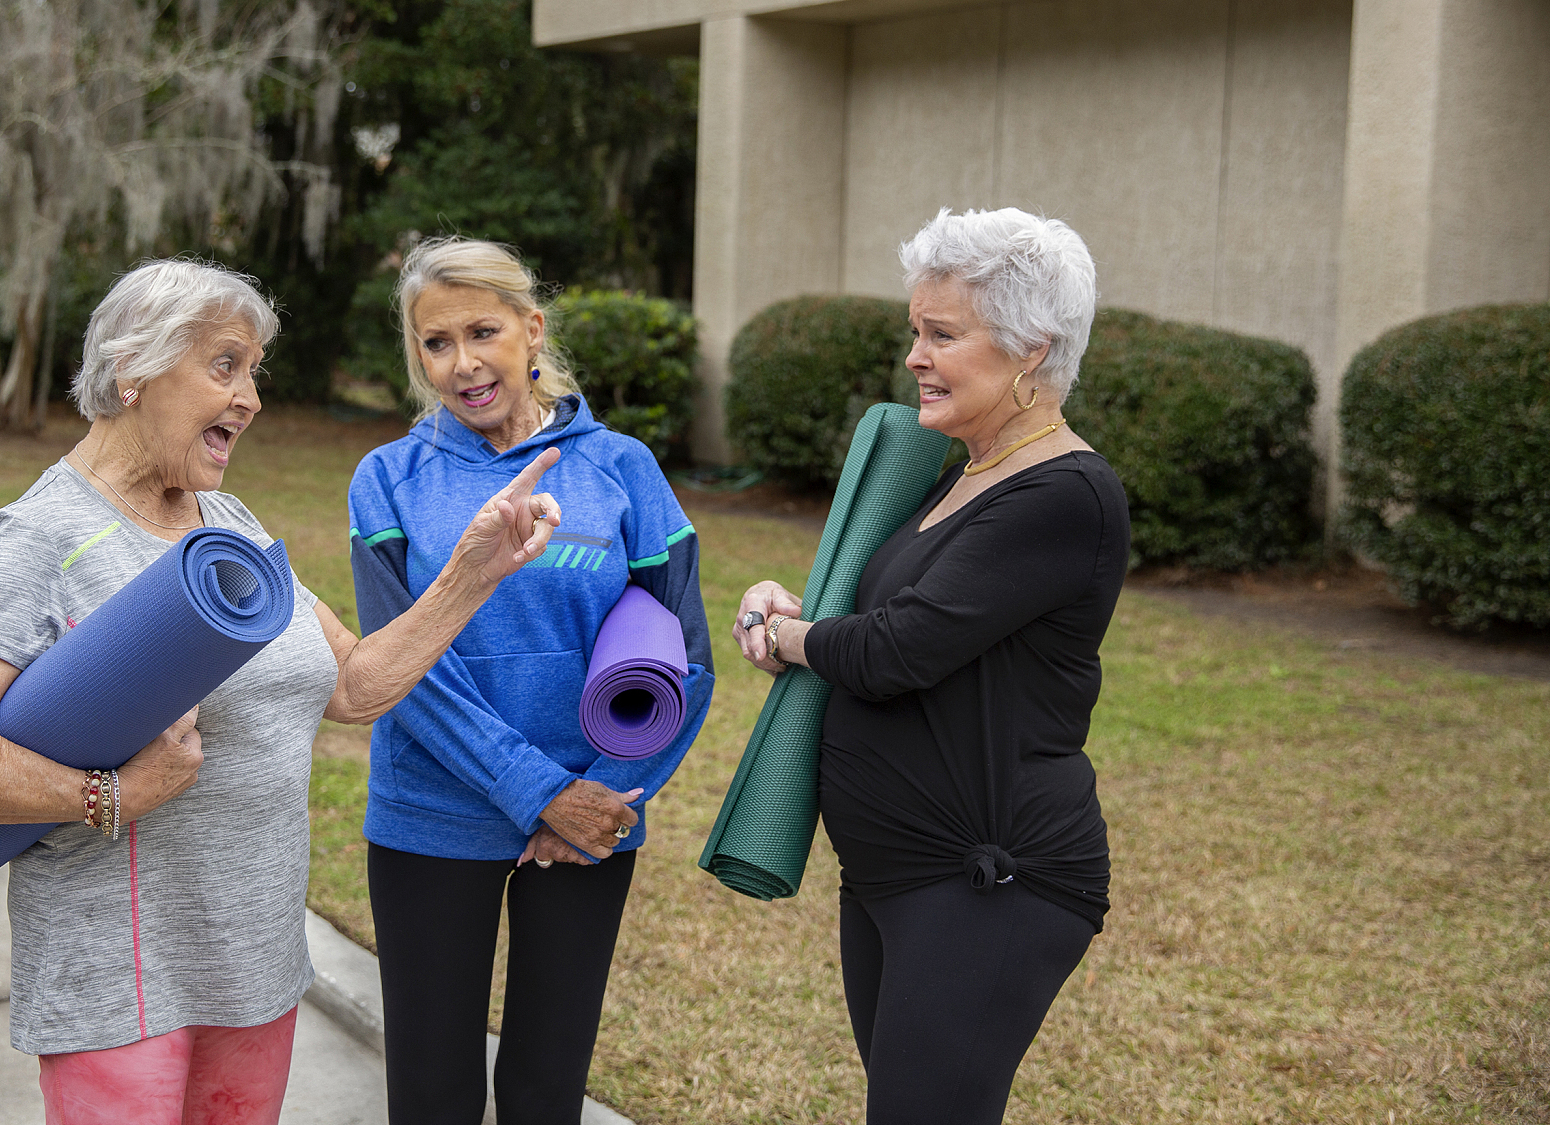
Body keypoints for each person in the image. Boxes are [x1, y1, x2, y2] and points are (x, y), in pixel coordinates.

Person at [0, 256, 564, 1125]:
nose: (252, 397)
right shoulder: (43, 535)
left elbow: (351, 684)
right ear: (132, 370)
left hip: (254, 958)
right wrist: (107, 793)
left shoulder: (226, 523)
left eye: (253, 371)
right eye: (225, 365)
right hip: (118, 974)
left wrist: (473, 571)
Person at [734, 207, 1129, 1125]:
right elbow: (888, 622)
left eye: (942, 334)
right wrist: (794, 610)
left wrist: (797, 642)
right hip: (896, 875)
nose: (915, 354)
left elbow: (896, 650)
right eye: (916, 330)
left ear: (1030, 349)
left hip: (988, 883)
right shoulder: (965, 468)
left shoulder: (1065, 493)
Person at [347, 236, 714, 1125]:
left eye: (483, 331)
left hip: (591, 820)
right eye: (436, 343)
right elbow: (404, 667)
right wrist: (540, 792)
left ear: (531, 329)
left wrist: (604, 796)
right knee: (432, 1093)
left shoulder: (624, 468)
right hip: (433, 816)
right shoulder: (387, 480)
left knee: (548, 1091)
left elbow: (687, 659)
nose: (464, 362)